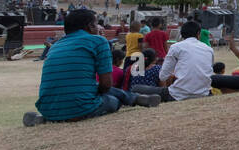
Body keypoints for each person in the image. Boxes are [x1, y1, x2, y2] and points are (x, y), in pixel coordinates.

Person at [24, 9, 159, 126]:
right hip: (81, 108)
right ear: (90, 27)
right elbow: (106, 85)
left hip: (48, 108)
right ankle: (135, 99)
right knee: (113, 101)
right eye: (96, 25)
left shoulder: (55, 46)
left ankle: (43, 119)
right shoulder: (98, 41)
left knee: (93, 87)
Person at [157, 19, 215, 102]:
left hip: (178, 95)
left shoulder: (176, 47)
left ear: (182, 34)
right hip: (203, 93)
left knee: (139, 89)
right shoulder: (209, 49)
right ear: (198, 34)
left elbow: (162, 76)